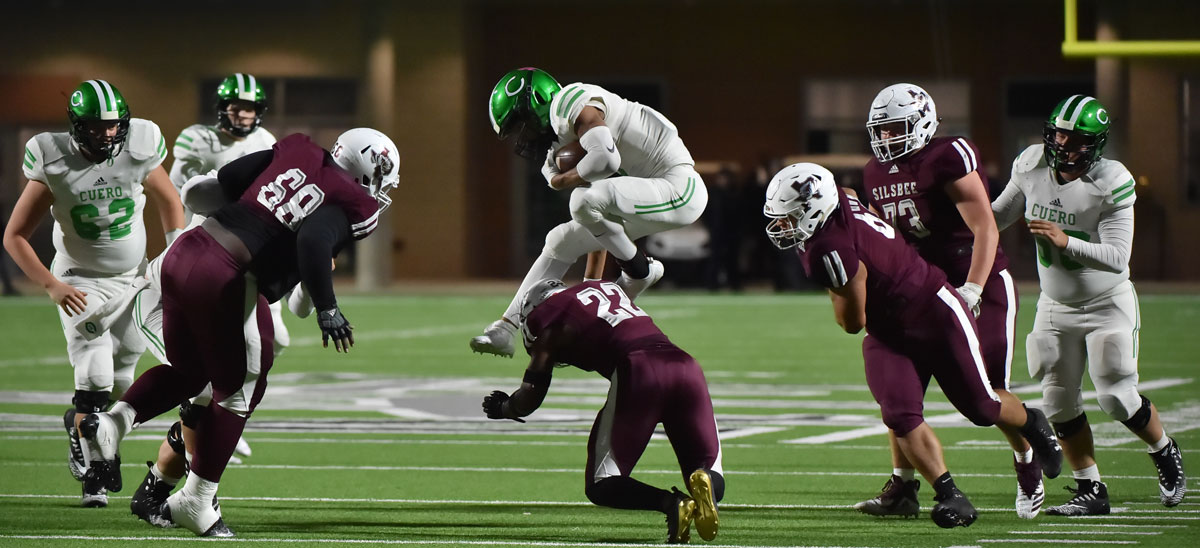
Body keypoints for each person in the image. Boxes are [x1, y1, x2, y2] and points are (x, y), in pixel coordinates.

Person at [74, 127, 400, 536]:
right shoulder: (353, 200)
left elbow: (228, 179)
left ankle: (113, 424)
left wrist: (267, 217)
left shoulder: (298, 149)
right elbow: (316, 238)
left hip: (187, 251)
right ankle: (196, 499)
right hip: (228, 273)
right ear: (370, 170)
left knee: (191, 371)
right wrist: (329, 309)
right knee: (242, 389)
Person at [762, 162, 1061, 528]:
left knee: (983, 407)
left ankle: (1032, 421)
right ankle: (947, 493)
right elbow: (855, 201)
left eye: (792, 217)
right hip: (890, 330)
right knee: (900, 413)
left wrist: (840, 282)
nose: (784, 226)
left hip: (935, 313)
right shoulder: (842, 198)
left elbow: (851, 322)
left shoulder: (830, 250)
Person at [856, 83, 1050, 519]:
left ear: (923, 123)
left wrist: (975, 289)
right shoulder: (873, 173)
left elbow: (986, 228)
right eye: (881, 131)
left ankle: (1026, 457)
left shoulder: (948, 155)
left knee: (989, 395)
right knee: (899, 397)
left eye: (896, 129)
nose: (887, 139)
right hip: (925, 291)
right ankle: (903, 486)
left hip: (977, 280)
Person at [992, 95, 1186, 515]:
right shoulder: (1030, 165)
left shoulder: (1110, 180)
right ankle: (1090, 489)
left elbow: (1119, 256)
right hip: (1055, 302)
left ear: (1094, 144)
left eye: (1073, 137)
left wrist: (1067, 241)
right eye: (1058, 132)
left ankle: (1164, 450)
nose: (1060, 142)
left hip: (1106, 301)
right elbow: (996, 217)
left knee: (1115, 395)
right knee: (1058, 400)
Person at [2, 79, 185, 508]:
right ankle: (93, 474)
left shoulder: (140, 143)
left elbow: (171, 202)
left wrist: (176, 253)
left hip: (135, 278)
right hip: (80, 280)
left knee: (123, 379)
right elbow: (14, 236)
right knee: (96, 373)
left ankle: (81, 428)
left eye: (112, 125)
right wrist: (52, 284)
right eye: (97, 126)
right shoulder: (54, 158)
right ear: (76, 125)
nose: (107, 134)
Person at [471, 67, 708, 357]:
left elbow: (606, 160)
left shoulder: (570, 101)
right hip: (647, 190)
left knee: (583, 200)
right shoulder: (557, 145)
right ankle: (505, 328)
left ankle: (639, 271)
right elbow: (599, 220)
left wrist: (563, 180)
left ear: (538, 102)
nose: (523, 137)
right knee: (561, 239)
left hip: (679, 186)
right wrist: (590, 285)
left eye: (522, 125)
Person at [483, 278, 723, 544]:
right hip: (686, 365)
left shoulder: (548, 320)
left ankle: (672, 503)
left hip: (641, 370)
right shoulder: (602, 288)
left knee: (602, 483)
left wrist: (505, 407)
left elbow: (531, 396)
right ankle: (706, 481)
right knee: (707, 470)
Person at [170, 73, 291, 358]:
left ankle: (225, 374)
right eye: (236, 107)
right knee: (220, 325)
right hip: (210, 236)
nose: (243, 115)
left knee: (278, 338)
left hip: (252, 239)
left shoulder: (265, 139)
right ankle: (207, 387)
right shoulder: (198, 140)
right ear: (223, 108)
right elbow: (180, 192)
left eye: (249, 108)